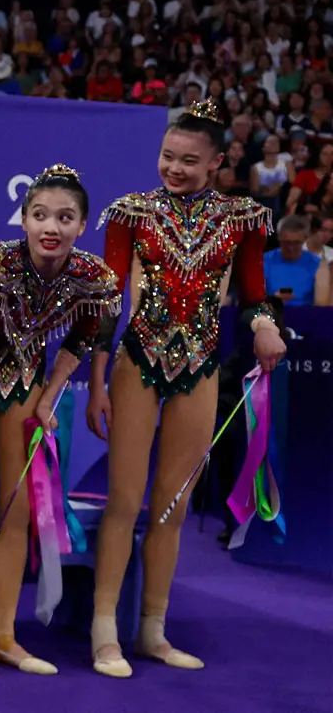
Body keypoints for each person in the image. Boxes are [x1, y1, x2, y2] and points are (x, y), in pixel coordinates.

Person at [87, 100, 288, 678]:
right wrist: (98, 383)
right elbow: (106, 303)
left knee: (171, 509)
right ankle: (105, 632)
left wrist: (264, 323)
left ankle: (153, 628)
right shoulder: (131, 212)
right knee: (124, 502)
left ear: (218, 161)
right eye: (167, 157)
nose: (174, 168)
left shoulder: (243, 219)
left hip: (199, 369)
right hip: (136, 364)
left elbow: (252, 294)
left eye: (189, 161)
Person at [0, 165, 122, 679]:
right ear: (23, 219)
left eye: (65, 218)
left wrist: (51, 394)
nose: (52, 227)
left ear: (82, 225)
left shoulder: (93, 277)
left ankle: (5, 635)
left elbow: (82, 339)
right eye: (40, 215)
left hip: (24, 379)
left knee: (17, 509)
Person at [264, 214, 328, 306]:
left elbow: (322, 305)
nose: (291, 247)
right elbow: (254, 301)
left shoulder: (318, 264)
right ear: (279, 238)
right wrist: (274, 300)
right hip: (271, 314)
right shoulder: (264, 261)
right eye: (286, 242)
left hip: (306, 316)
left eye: (296, 243)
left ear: (304, 240)